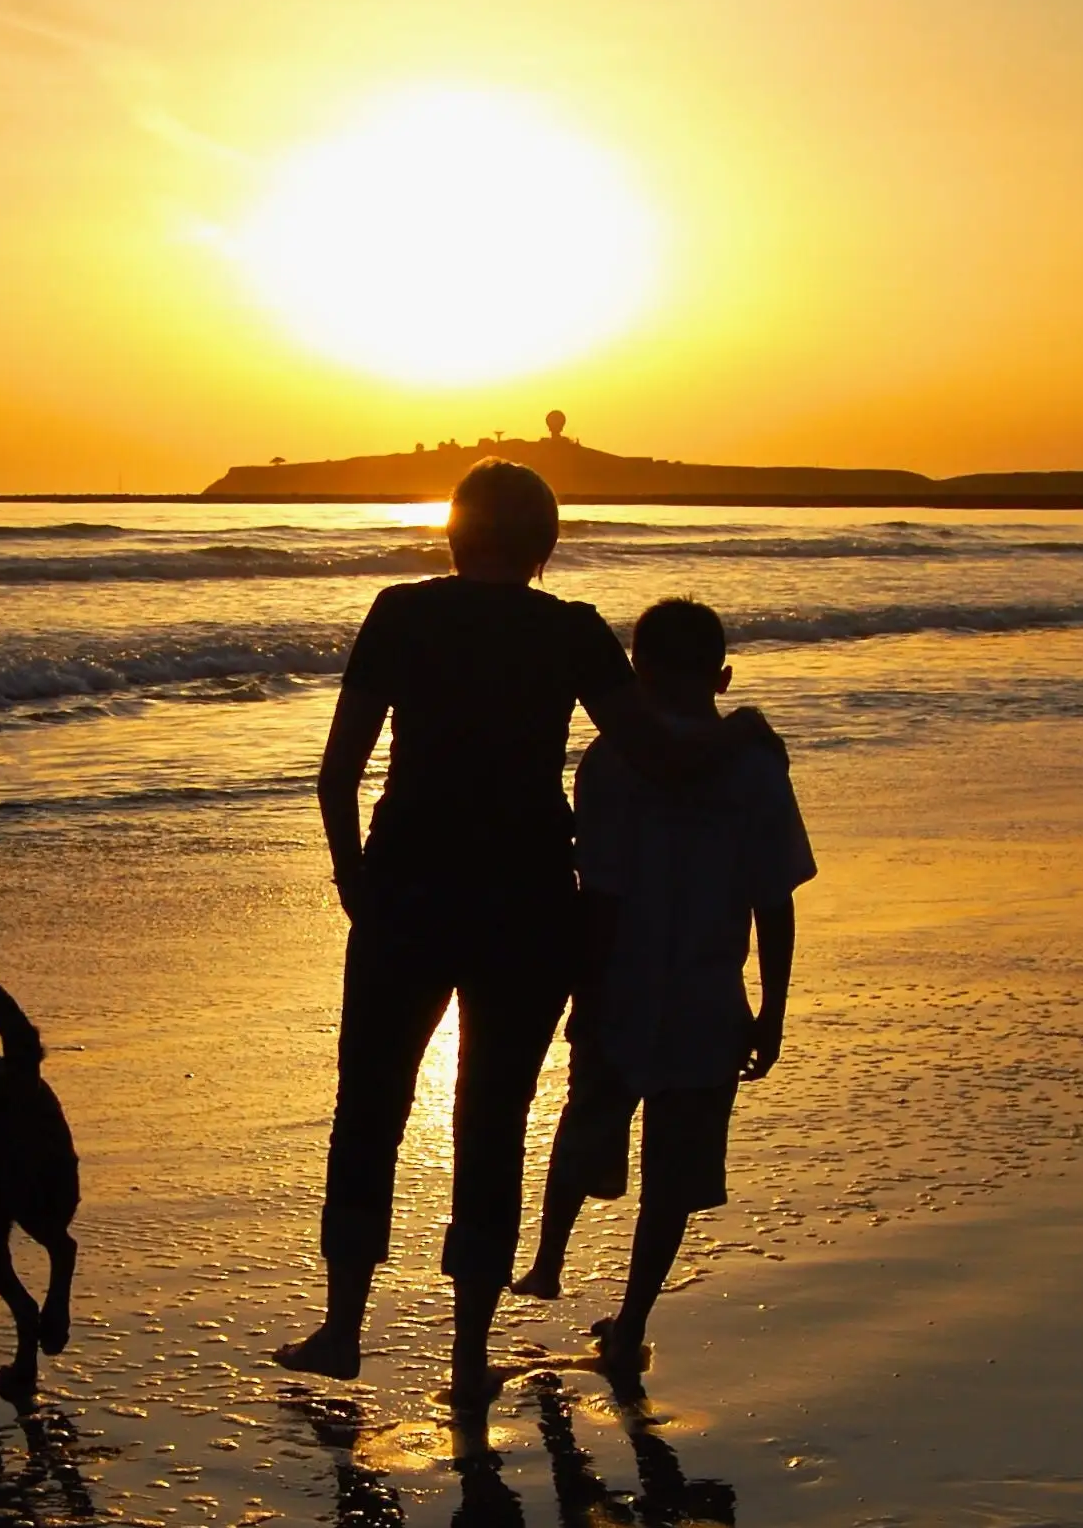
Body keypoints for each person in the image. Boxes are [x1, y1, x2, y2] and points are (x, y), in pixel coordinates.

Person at [274, 462, 775, 1406]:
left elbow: (337, 773)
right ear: (546, 546)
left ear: (455, 537)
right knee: (491, 1122)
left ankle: (344, 1328)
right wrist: (740, 726)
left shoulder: (401, 613)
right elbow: (661, 758)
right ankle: (466, 1359)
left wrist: (352, 880)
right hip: (530, 906)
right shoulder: (571, 631)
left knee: (368, 1114)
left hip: (408, 894)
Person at [510, 597, 814, 1385]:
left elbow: (600, 894)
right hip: (710, 998)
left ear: (636, 674)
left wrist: (584, 995)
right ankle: (632, 1319)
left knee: (585, 1130)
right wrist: (772, 1009)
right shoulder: (755, 765)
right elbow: (773, 900)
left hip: (624, 985)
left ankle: (546, 1260)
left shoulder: (610, 762)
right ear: (722, 675)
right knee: (671, 1180)